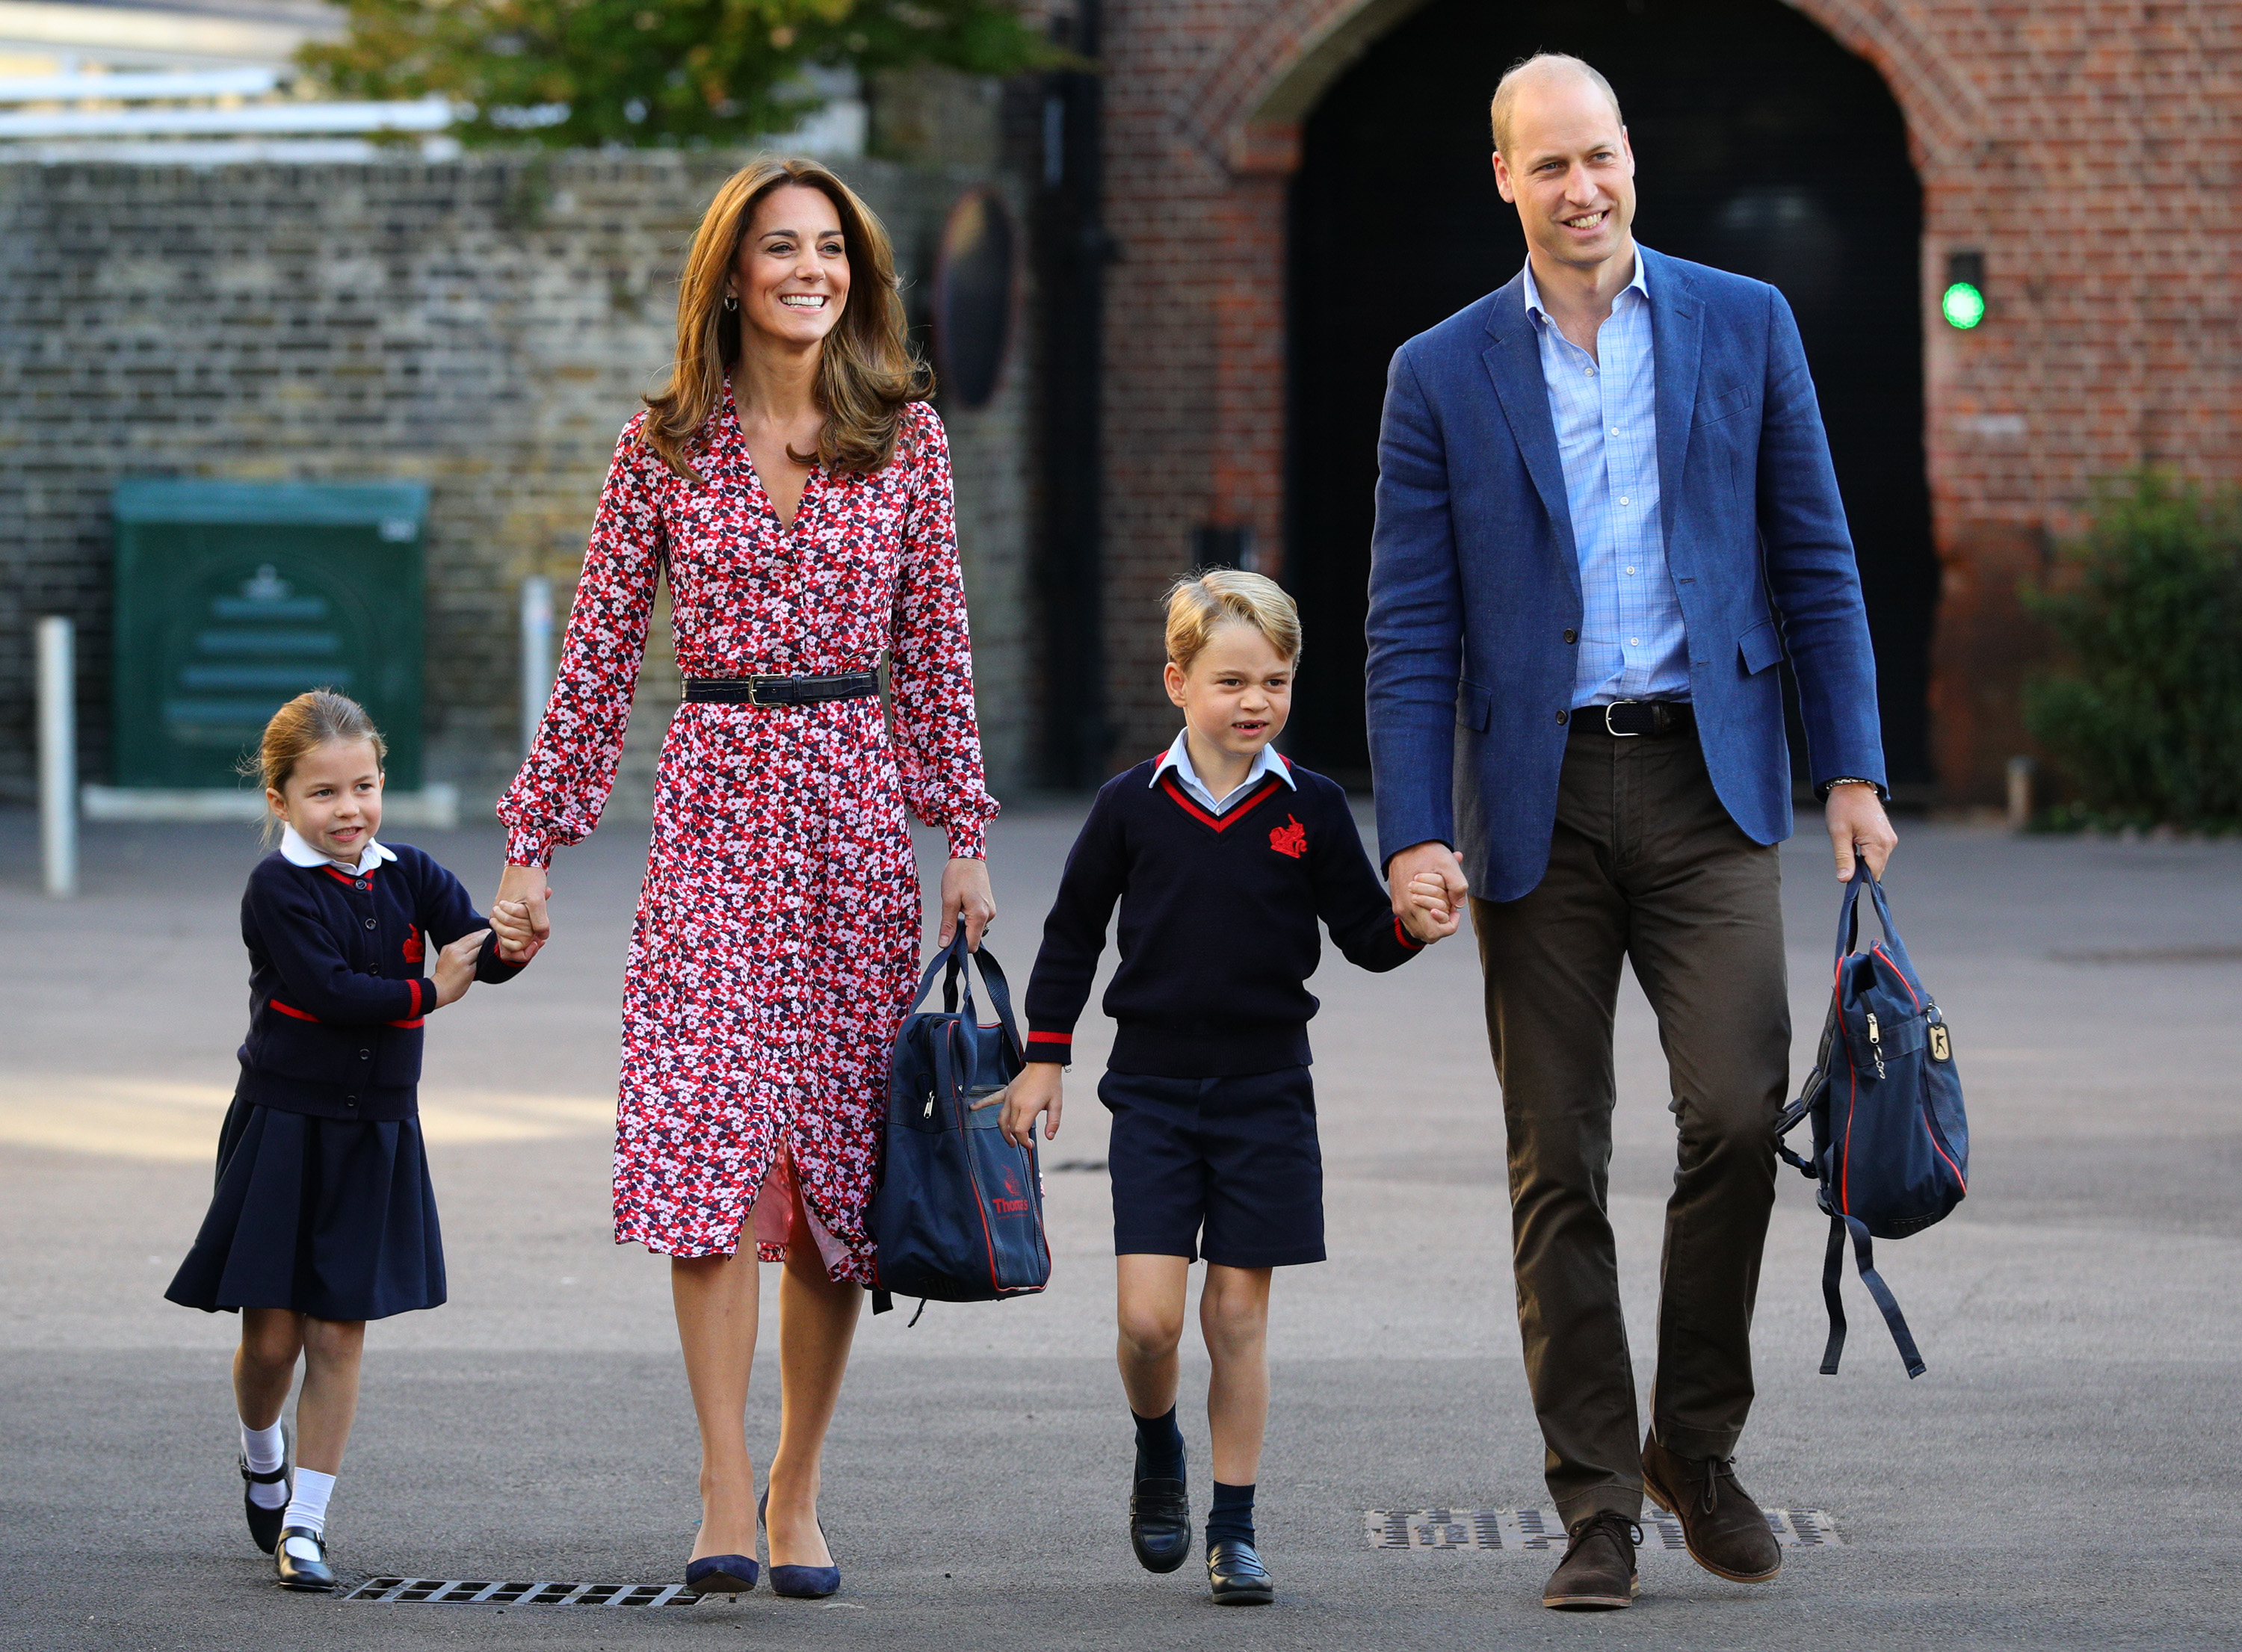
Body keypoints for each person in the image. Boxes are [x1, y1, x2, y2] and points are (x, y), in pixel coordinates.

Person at [1364, 54, 1900, 1611]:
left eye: (1600, 159)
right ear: (1505, 181)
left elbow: (1819, 557)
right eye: (1550, 167)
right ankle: (1594, 1498)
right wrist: (1410, 832)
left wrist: (1851, 768)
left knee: (1737, 1115)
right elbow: (1410, 627)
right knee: (1557, 1158)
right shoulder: (1439, 370)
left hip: (1709, 781)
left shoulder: (1745, 321)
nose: (1581, 190)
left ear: (1631, 163)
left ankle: (1698, 1445)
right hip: (1530, 800)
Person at [486, 157, 1000, 1600]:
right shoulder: (660, 446)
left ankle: (798, 1487)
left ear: (858, 272)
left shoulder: (905, 439)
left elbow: (939, 655)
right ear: (731, 270)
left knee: (840, 1167)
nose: (807, 271)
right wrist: (535, 844)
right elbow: (595, 666)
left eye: (829, 249)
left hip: (849, 816)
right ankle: (721, 1475)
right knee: (708, 1151)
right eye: (779, 248)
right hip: (713, 806)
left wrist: (962, 832)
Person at [999, 570, 1457, 1606]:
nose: (1256, 701)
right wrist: (1044, 1053)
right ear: (1179, 681)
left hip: (1266, 1095)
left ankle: (1235, 1526)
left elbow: (1361, 934)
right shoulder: (1130, 805)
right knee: (1152, 1320)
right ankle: (1157, 1442)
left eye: (1277, 681)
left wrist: (1411, 927)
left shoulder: (1312, 805)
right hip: (1153, 1094)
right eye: (1232, 679)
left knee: (1238, 1316)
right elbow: (1073, 931)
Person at [165, 690, 525, 1590]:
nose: (349, 809)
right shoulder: (275, 889)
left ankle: (308, 1527)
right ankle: (260, 1450)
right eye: (323, 793)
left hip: (377, 1135)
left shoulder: (411, 871)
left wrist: (514, 941)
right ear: (280, 800)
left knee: (339, 1334)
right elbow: (329, 992)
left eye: (363, 786)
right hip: (284, 1128)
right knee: (273, 1342)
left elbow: (475, 942)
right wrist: (430, 993)